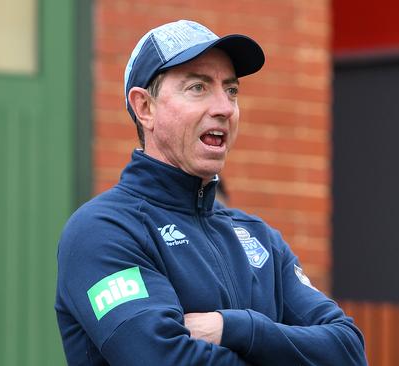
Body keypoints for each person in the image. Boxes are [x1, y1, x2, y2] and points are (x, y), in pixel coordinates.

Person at [56, 19, 367, 365]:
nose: (224, 108)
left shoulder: (260, 240)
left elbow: (348, 349)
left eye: (231, 90)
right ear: (145, 107)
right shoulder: (103, 231)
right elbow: (164, 359)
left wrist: (236, 328)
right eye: (198, 88)